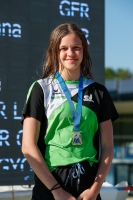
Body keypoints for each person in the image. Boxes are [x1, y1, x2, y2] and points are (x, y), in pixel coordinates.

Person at [21, 22, 119, 200]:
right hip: (51, 186)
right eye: (63, 48)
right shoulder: (41, 89)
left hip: (88, 188)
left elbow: (108, 147)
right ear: (55, 52)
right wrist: (57, 191)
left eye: (76, 48)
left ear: (84, 51)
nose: (70, 53)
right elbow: (28, 146)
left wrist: (94, 190)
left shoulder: (99, 92)